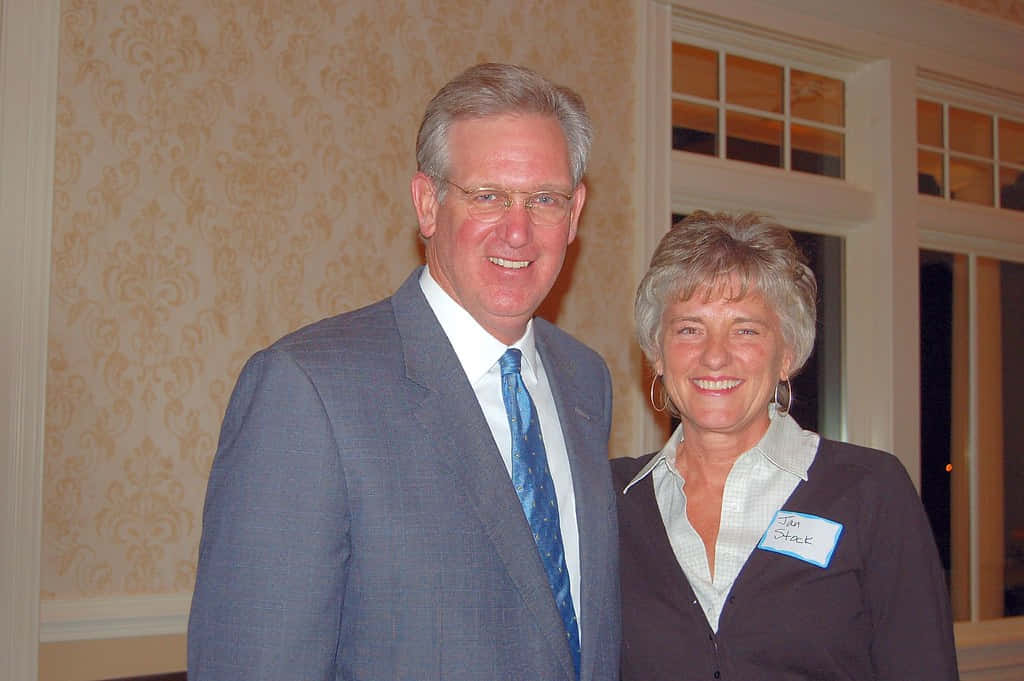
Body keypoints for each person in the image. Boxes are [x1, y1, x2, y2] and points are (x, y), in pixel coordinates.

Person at [188, 63, 620, 681]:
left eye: (543, 199)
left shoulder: (586, 380)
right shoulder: (307, 390)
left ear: (575, 213)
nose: (518, 229)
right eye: (487, 196)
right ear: (427, 203)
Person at [613, 211, 959, 680]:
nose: (715, 355)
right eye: (690, 328)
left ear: (788, 353)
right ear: (657, 352)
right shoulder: (610, 500)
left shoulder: (869, 490)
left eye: (746, 329)